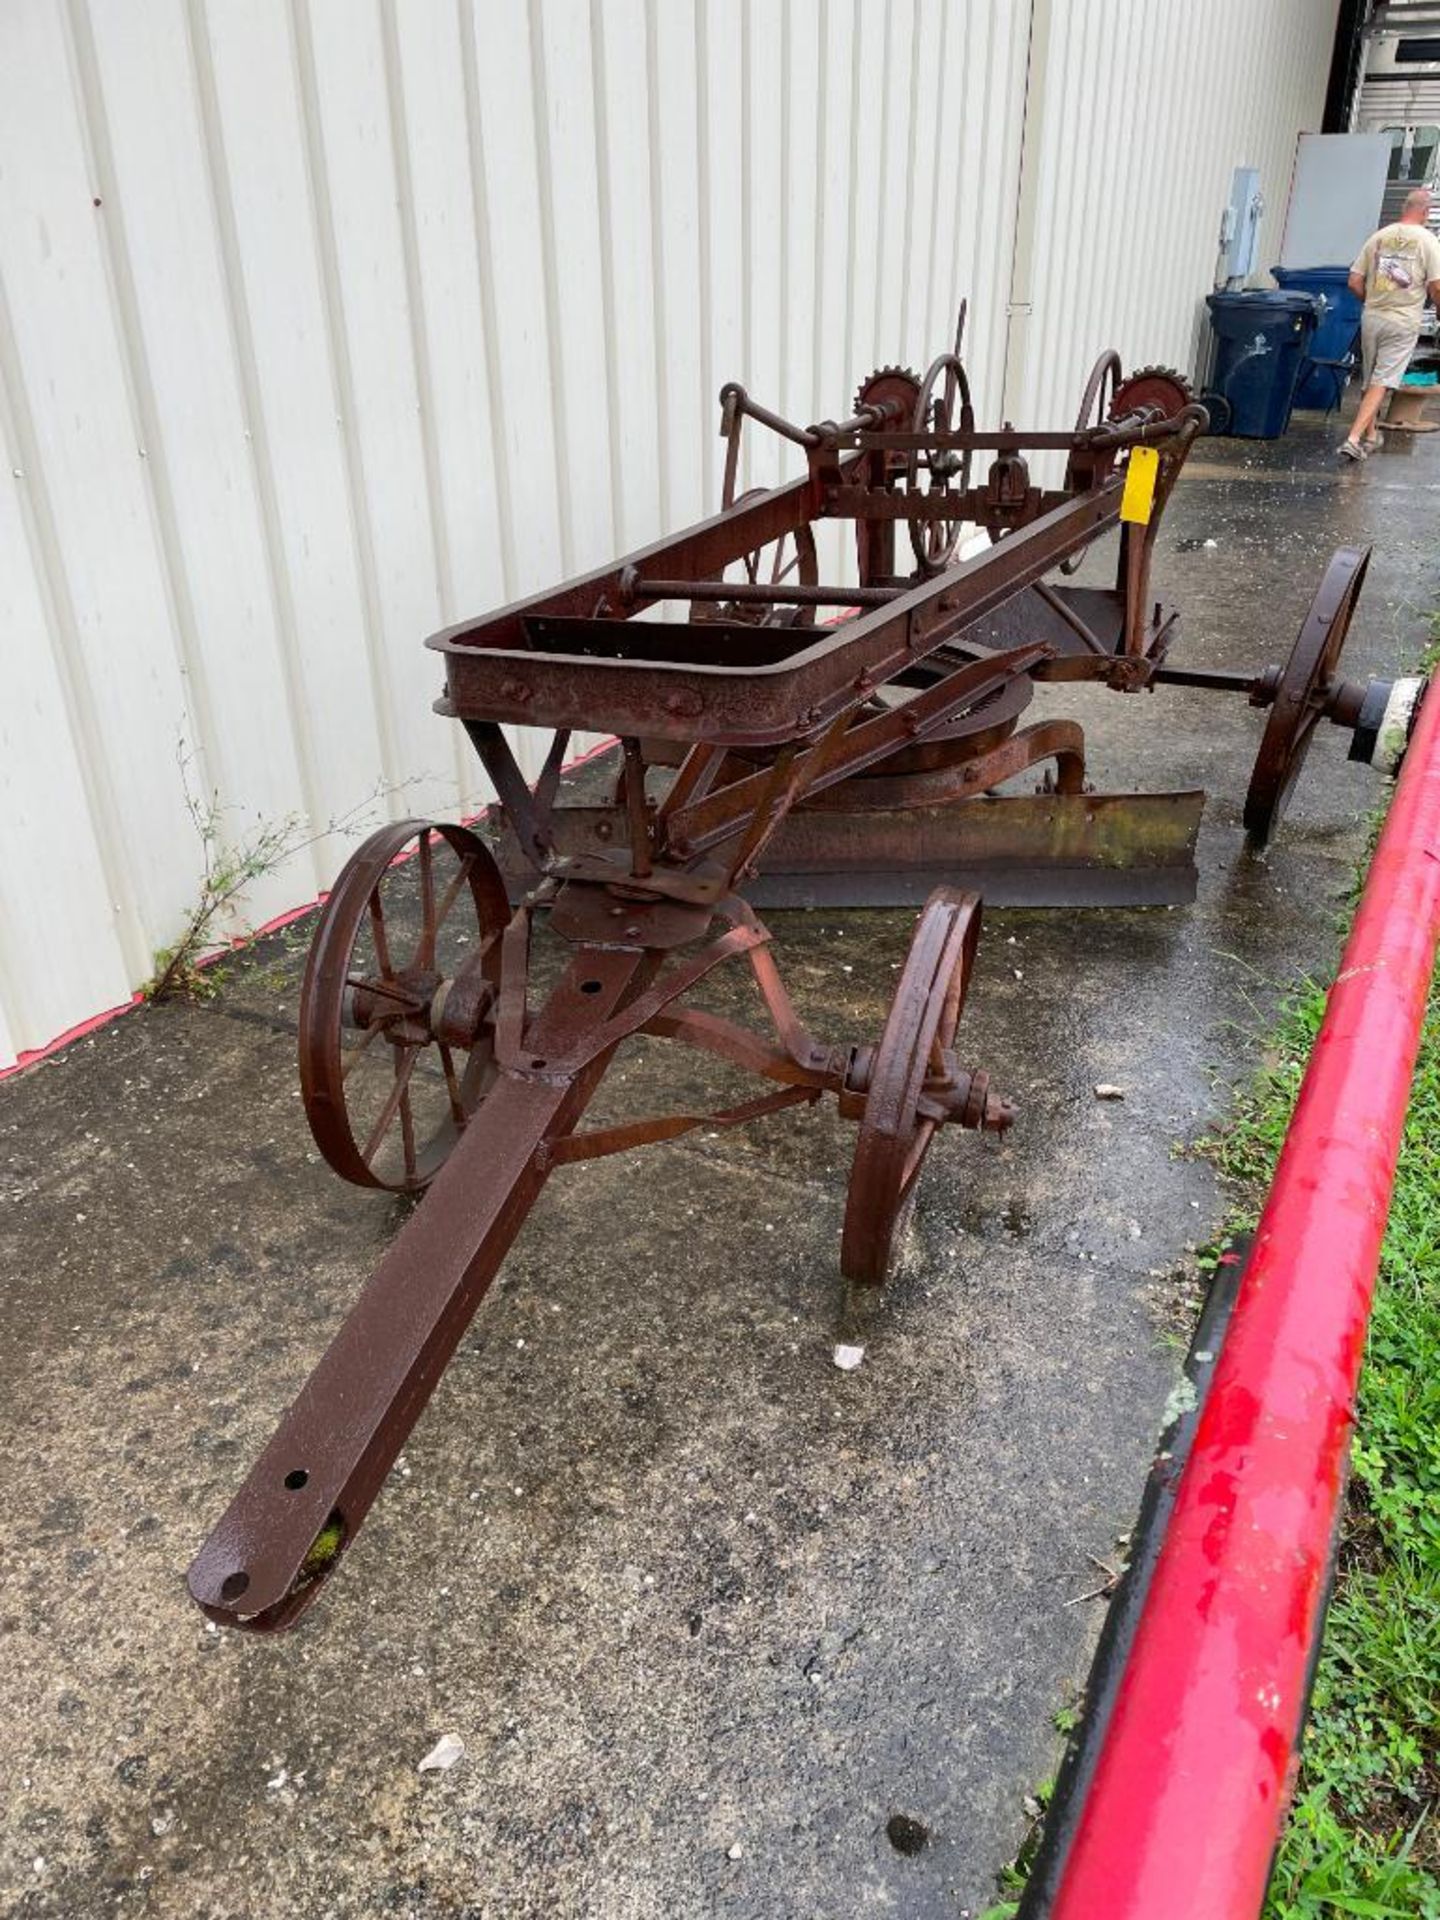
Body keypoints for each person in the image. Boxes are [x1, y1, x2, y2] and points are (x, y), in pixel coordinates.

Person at [1340, 187, 1440, 461]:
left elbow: (1353, 281)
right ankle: (1353, 438)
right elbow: (1436, 286)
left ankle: (1371, 436)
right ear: (1426, 212)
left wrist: (1371, 300)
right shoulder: (1428, 242)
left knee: (1371, 379)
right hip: (1403, 320)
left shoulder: (1379, 237)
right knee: (1382, 381)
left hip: (1372, 316)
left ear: (1403, 209)